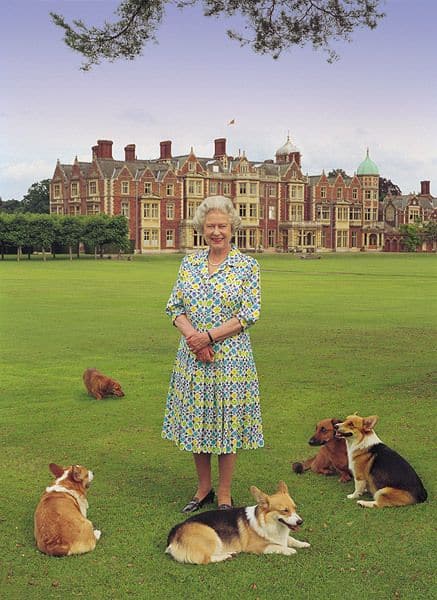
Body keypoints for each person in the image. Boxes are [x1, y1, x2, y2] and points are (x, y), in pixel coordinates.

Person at [162, 195, 264, 512]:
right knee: (198, 421)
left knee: (227, 423)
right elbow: (174, 307)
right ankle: (203, 488)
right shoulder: (189, 263)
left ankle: (223, 493)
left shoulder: (247, 266)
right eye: (210, 226)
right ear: (201, 229)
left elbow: (249, 314)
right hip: (193, 357)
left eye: (222, 226)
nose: (216, 232)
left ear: (233, 227)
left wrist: (208, 337)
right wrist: (194, 337)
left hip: (231, 358)